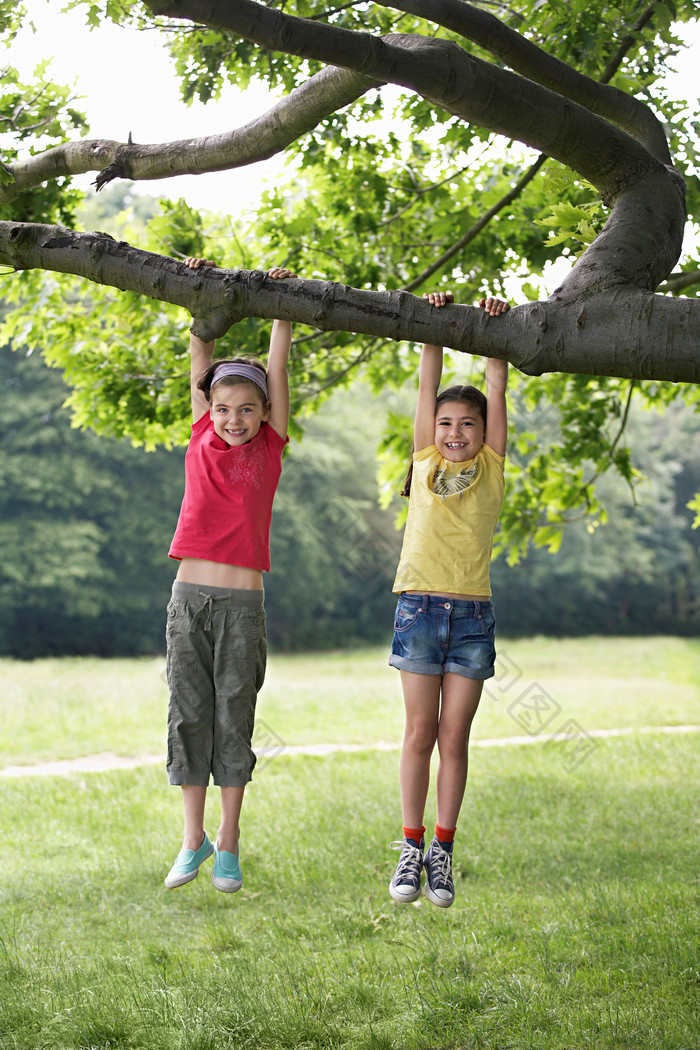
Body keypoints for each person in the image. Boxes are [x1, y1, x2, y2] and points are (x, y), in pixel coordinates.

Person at [164, 256, 295, 893]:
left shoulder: (270, 446)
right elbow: (201, 345)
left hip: (242, 608)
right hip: (188, 600)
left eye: (247, 408)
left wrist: (277, 305)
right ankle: (193, 838)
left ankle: (231, 841)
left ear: (264, 413)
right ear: (208, 410)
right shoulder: (198, 438)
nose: (233, 418)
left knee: (232, 717)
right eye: (223, 408)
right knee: (188, 714)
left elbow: (278, 369)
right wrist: (202, 288)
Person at [388, 288, 510, 908]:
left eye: (468, 423)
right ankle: (409, 848)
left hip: (470, 616)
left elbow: (498, 383)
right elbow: (425, 381)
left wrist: (492, 334)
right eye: (446, 423)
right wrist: (433, 328)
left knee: (453, 738)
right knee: (419, 732)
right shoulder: (424, 459)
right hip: (417, 608)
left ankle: (442, 850)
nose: (456, 432)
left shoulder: (491, 466)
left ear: (485, 431)